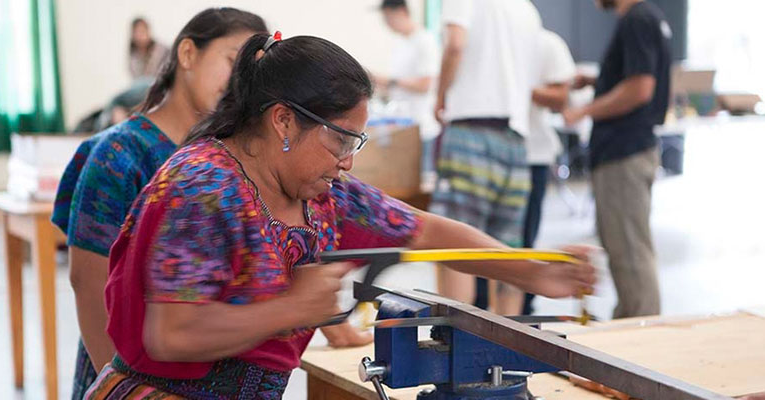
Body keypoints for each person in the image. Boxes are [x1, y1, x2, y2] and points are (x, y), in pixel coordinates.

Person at [84, 32, 596, 399]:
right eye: (340, 138)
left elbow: (431, 232)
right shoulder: (202, 186)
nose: (348, 159)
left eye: (356, 140)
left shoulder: (324, 194)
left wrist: (534, 268)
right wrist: (292, 308)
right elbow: (171, 333)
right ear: (283, 120)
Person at [52, 8, 268, 399]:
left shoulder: (227, 158)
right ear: (187, 54)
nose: (240, 83)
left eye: (252, 72)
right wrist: (122, 390)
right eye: (232, 61)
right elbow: (89, 285)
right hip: (129, 380)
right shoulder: (119, 153)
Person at [431, 0, 543, 315]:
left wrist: (439, 97)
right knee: (507, 258)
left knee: (453, 248)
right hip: (516, 142)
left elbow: (455, 45)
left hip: (471, 134)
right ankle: (506, 353)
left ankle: (454, 348)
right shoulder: (527, 10)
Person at [563, 0, 671, 318]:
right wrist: (597, 82)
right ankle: (633, 327)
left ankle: (638, 344)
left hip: (624, 154)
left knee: (630, 256)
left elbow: (640, 88)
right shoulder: (648, 18)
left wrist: (583, 110)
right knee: (626, 249)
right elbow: (636, 76)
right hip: (629, 151)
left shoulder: (636, 19)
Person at [522, 29, 576, 315]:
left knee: (522, 245)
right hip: (485, 154)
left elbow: (560, 97)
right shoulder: (477, 38)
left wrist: (514, 88)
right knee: (475, 252)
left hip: (532, 154)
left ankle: (522, 320)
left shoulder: (545, 42)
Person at [372, 0, 440, 176]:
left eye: (388, 17)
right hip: (403, 126)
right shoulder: (401, 44)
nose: (387, 23)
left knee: (422, 182)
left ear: (401, 12)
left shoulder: (425, 40)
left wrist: (390, 81)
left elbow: (426, 84)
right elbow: (398, 86)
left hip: (422, 128)